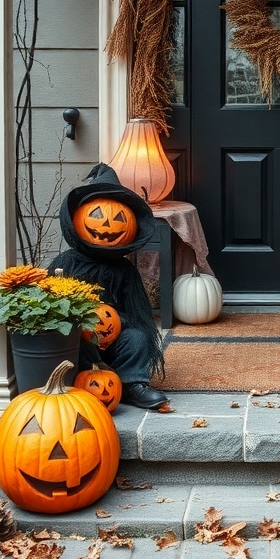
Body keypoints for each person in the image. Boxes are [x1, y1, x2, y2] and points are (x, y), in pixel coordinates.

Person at [49, 163, 169, 410]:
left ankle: (132, 383)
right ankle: (72, 384)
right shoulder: (65, 263)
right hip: (78, 341)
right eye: (96, 215)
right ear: (77, 219)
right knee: (68, 338)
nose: (106, 226)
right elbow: (51, 310)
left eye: (117, 219)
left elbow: (139, 318)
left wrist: (116, 323)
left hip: (115, 340)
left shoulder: (124, 271)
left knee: (136, 337)